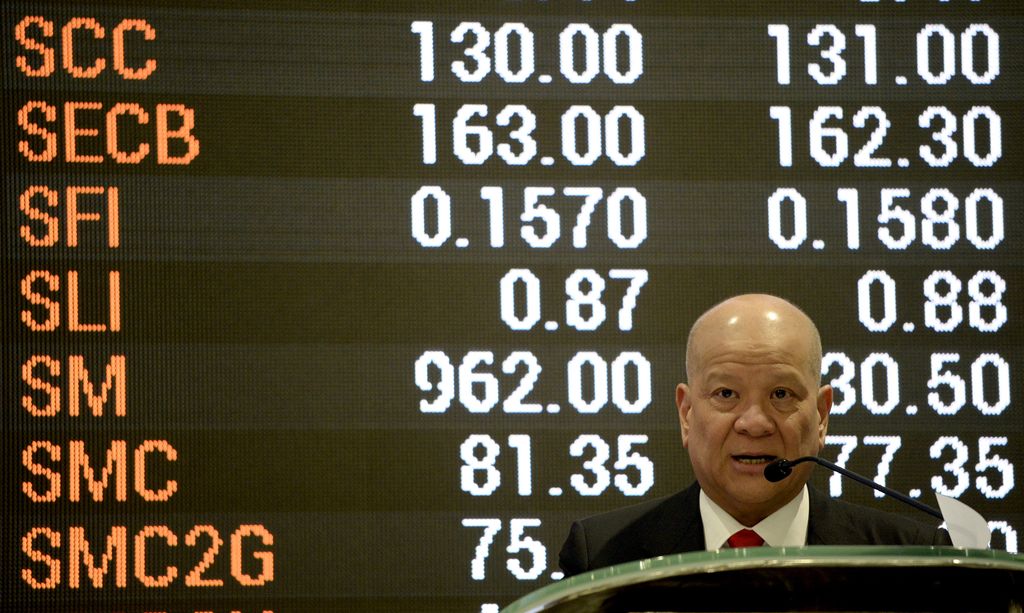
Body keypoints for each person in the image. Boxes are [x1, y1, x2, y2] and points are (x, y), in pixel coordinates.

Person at [559, 293, 952, 577]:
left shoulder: (912, 561)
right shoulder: (605, 558)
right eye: (726, 394)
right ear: (686, 413)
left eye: (781, 395)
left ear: (820, 416)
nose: (754, 422)